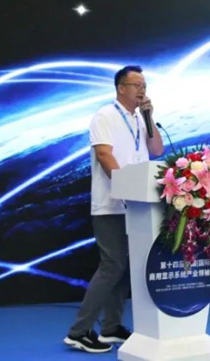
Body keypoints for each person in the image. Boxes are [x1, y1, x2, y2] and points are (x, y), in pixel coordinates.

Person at [64, 65, 164, 353]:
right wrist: (123, 188)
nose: (142, 90)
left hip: (137, 204)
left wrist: (149, 117)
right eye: (137, 85)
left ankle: (111, 327)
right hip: (111, 204)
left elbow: (157, 151)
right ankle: (79, 331)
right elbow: (104, 154)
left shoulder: (139, 118)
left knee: (125, 267)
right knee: (112, 265)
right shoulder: (105, 115)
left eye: (144, 85)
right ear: (121, 88)